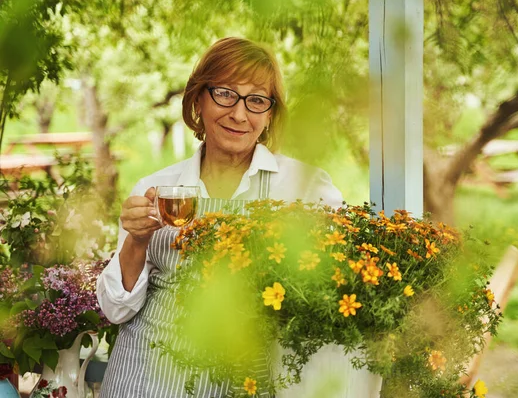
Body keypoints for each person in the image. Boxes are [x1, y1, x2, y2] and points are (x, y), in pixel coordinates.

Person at [96, 37, 344, 398]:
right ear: (198, 98)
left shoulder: (305, 189)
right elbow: (115, 309)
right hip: (149, 378)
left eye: (256, 100)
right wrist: (136, 241)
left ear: (270, 113)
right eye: (225, 94)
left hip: (247, 380)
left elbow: (335, 294)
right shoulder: (157, 187)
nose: (239, 114)